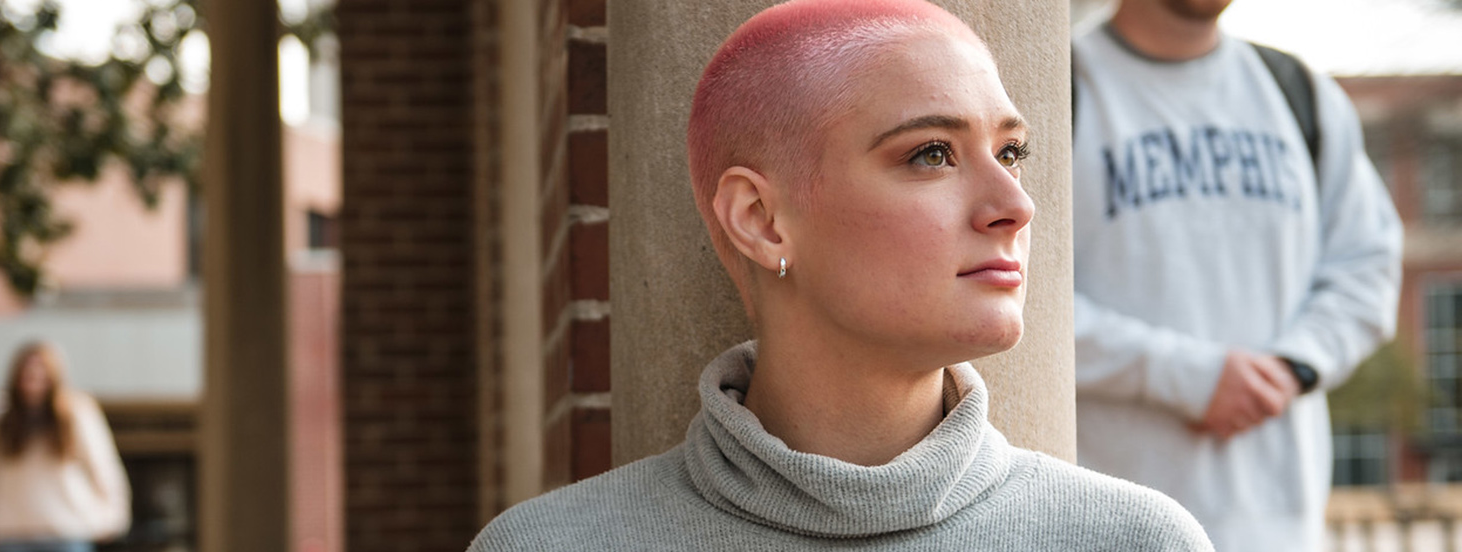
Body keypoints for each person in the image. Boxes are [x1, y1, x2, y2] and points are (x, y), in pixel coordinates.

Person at [470, 1, 1212, 549]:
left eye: (1010, 152)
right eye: (931, 153)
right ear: (761, 220)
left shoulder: (1135, 541)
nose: (1014, 206)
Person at [1071, 0, 1404, 550]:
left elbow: (1367, 267)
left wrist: (1291, 367)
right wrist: (1187, 376)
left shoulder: (1301, 93)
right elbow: (1017, 302)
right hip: (1111, 521)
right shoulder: (1058, 89)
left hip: (1282, 524)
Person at [0, 341, 131, 552]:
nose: (34, 378)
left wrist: (113, 516)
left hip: (66, 529)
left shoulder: (77, 410)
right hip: (10, 532)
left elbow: (102, 465)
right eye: (28, 371)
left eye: (41, 370)